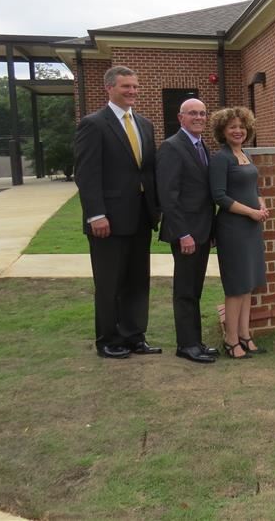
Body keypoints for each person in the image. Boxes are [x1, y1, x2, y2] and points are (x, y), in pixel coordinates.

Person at [74, 66, 161, 359]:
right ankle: (108, 340)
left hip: (140, 217)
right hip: (108, 220)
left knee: (138, 281)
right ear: (109, 88)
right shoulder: (93, 124)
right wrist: (96, 214)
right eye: (126, 86)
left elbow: (148, 171)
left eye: (135, 86)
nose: (132, 92)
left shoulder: (145, 124)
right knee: (109, 283)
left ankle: (135, 336)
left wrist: (156, 209)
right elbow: (86, 174)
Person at [156, 98, 219, 364]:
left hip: (202, 231)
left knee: (195, 289)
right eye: (192, 113)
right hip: (186, 234)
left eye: (203, 113)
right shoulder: (172, 147)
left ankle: (196, 341)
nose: (199, 117)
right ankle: (187, 345)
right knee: (185, 290)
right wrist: (183, 234)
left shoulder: (201, 145)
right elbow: (168, 196)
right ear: (180, 117)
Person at [208, 107, 269, 359]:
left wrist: (261, 202)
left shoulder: (245, 155)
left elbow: (251, 188)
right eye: (232, 127)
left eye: (241, 126)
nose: (238, 131)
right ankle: (231, 340)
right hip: (233, 229)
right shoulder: (221, 158)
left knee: (247, 285)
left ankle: (245, 335)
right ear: (223, 130)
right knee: (235, 286)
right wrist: (251, 212)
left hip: (251, 228)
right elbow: (219, 196)